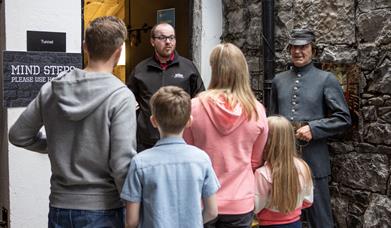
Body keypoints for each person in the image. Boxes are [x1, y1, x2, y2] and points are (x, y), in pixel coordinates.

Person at [8, 16, 137, 227]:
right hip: (103, 209)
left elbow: (18, 135)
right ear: (119, 51)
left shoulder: (51, 88)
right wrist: (134, 210)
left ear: (85, 47)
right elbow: (122, 164)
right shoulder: (120, 96)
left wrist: (55, 145)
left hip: (59, 207)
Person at [270, 28, 351, 228]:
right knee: (283, 216)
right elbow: (271, 118)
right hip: (284, 158)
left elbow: (343, 118)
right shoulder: (278, 80)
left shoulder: (326, 79)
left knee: (320, 218)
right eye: (294, 47)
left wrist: (313, 128)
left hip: (314, 158)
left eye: (303, 47)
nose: (297, 52)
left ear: (313, 50)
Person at [183, 43, 269, 228]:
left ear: (214, 69)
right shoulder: (256, 111)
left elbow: (187, 152)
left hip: (202, 199)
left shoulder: (194, 106)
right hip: (239, 200)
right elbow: (256, 161)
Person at [121, 86, 220, 228]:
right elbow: (212, 211)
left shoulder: (140, 163)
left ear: (153, 121)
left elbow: (132, 221)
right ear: (189, 121)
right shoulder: (201, 159)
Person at [127, 22, 205, 152]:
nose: (168, 42)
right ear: (152, 41)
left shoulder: (188, 68)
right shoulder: (140, 70)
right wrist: (141, 124)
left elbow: (200, 99)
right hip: (147, 143)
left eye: (172, 37)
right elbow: (128, 102)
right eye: (162, 38)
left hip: (181, 142)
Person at [254, 116, 313, 227]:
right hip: (296, 223)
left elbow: (255, 207)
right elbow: (308, 200)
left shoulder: (263, 173)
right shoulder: (303, 167)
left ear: (265, 140)